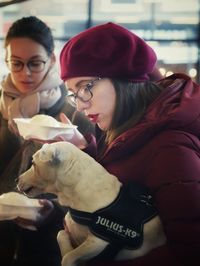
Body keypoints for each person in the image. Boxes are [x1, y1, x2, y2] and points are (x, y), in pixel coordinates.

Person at [57, 22, 200, 266]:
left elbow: (190, 252)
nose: (80, 105)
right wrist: (84, 149)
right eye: (73, 93)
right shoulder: (120, 128)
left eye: (85, 87)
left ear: (123, 78)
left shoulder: (170, 150)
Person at [0, 16, 94, 266]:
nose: (25, 73)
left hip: (51, 249)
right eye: (16, 63)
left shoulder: (75, 114)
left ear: (52, 59)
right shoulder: (1, 110)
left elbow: (88, 189)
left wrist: (52, 212)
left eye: (35, 63)